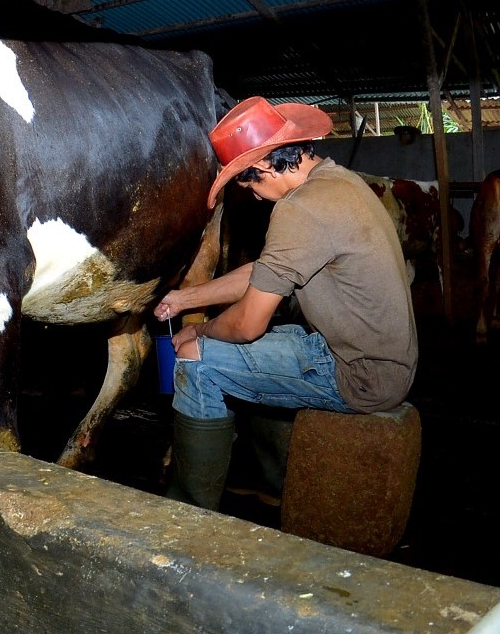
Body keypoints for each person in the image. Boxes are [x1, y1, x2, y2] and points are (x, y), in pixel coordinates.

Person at [154, 96, 418, 511]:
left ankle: (188, 511)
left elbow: (247, 325)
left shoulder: (299, 210)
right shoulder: (338, 182)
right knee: (255, 346)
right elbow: (268, 271)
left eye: (252, 184)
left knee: (195, 359)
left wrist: (198, 328)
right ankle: (275, 481)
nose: (257, 198)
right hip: (373, 354)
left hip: (358, 373)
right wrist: (186, 298)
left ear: (262, 168)